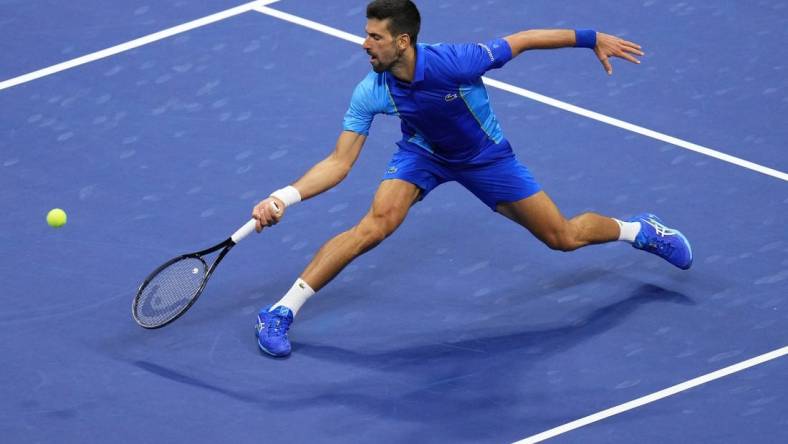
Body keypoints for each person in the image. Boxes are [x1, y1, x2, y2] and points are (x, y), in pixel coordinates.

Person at [251, 0, 692, 357]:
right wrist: (283, 198)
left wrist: (592, 38)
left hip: (485, 158)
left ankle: (640, 230)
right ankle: (280, 311)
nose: (363, 43)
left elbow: (521, 41)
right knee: (374, 226)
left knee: (562, 237)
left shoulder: (454, 62)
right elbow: (339, 162)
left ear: (402, 42)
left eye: (374, 36)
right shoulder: (373, 89)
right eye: (366, 33)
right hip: (423, 153)